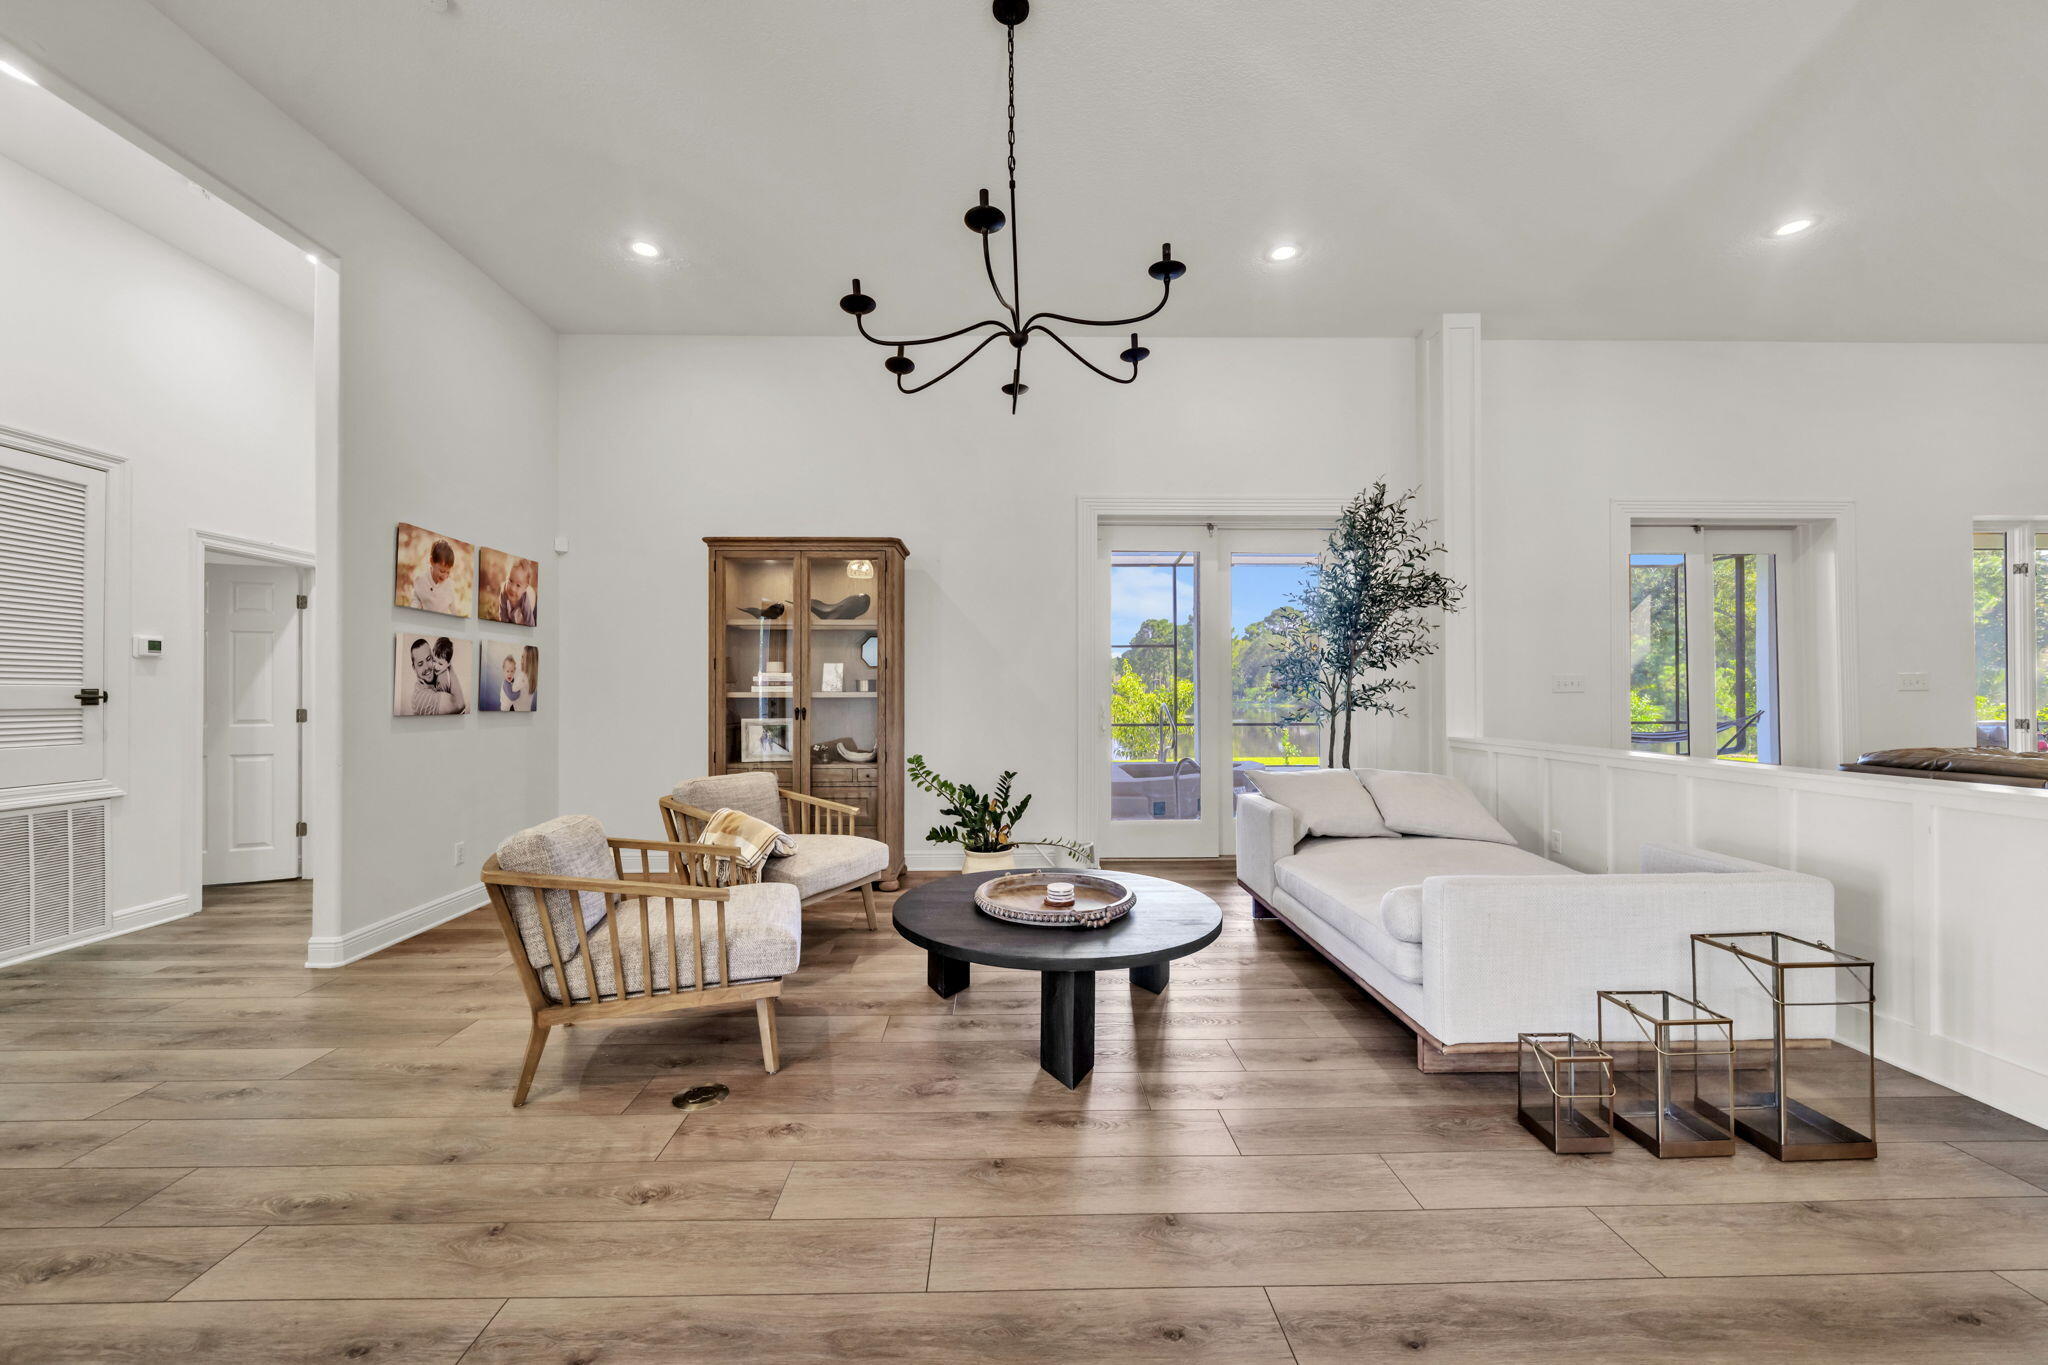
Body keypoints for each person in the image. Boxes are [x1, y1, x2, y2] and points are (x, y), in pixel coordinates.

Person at [406, 636, 467, 714]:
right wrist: (448, 665)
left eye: (428, 659)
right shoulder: (421, 698)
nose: (427, 667)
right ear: (414, 668)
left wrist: (445, 663)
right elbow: (460, 705)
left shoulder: (439, 675)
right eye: (420, 664)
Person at [409, 539, 459, 614]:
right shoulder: (421, 580)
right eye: (442, 571)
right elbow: (416, 599)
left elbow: (453, 607)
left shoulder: (449, 585)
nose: (445, 576)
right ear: (432, 561)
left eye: (448, 572)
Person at [498, 558, 536, 626]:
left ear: (525, 588)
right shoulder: (504, 591)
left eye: (518, 585)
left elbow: (530, 623)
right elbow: (502, 615)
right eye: (510, 580)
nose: (512, 588)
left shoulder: (525, 599)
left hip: (532, 600)